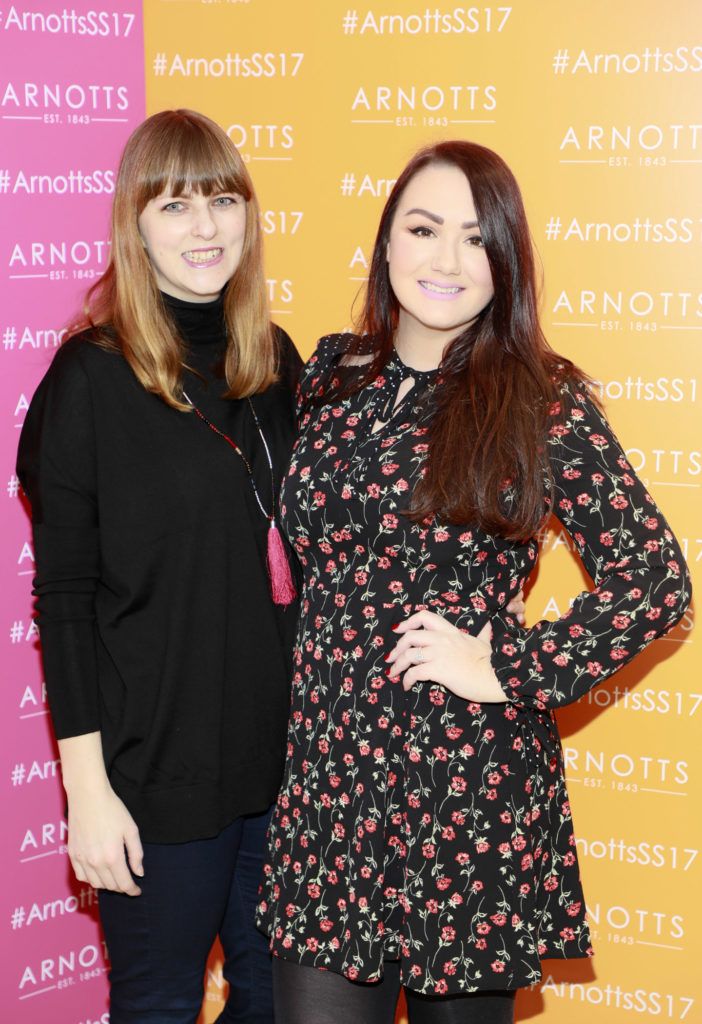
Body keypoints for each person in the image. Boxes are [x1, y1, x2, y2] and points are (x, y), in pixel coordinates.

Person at [256, 140, 692, 1024]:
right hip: (329, 795)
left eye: (476, 238)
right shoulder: (332, 380)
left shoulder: (539, 400)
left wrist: (509, 669)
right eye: (424, 229)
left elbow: (655, 578)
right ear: (386, 245)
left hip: (466, 789)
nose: (447, 260)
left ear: (506, 261)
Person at [17, 109, 303, 1024]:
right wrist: (86, 794)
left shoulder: (279, 365)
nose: (206, 228)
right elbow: (63, 602)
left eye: (224, 201)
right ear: (133, 224)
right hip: (153, 779)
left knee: (273, 1003)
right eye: (174, 206)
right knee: (159, 1006)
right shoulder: (88, 382)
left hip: (285, 769)